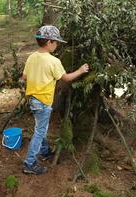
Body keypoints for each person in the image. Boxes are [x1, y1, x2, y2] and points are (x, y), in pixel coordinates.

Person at [22, 25, 89, 175]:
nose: (57, 45)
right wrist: (80, 71)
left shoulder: (31, 57)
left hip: (32, 99)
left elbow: (25, 77)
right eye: (56, 42)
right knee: (39, 131)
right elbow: (65, 78)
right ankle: (29, 163)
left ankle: (45, 152)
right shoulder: (53, 61)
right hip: (43, 100)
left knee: (41, 127)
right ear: (49, 42)